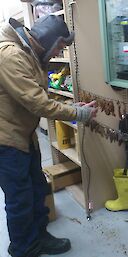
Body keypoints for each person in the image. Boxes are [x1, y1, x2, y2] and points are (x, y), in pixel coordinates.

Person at [0, 15, 97, 257]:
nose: (57, 54)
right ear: (46, 41)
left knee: (37, 188)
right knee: (19, 198)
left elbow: (38, 95)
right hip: (6, 140)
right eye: (59, 48)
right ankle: (25, 249)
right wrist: (79, 114)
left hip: (22, 134)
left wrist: (73, 106)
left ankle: (38, 236)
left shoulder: (30, 55)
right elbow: (37, 103)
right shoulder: (11, 56)